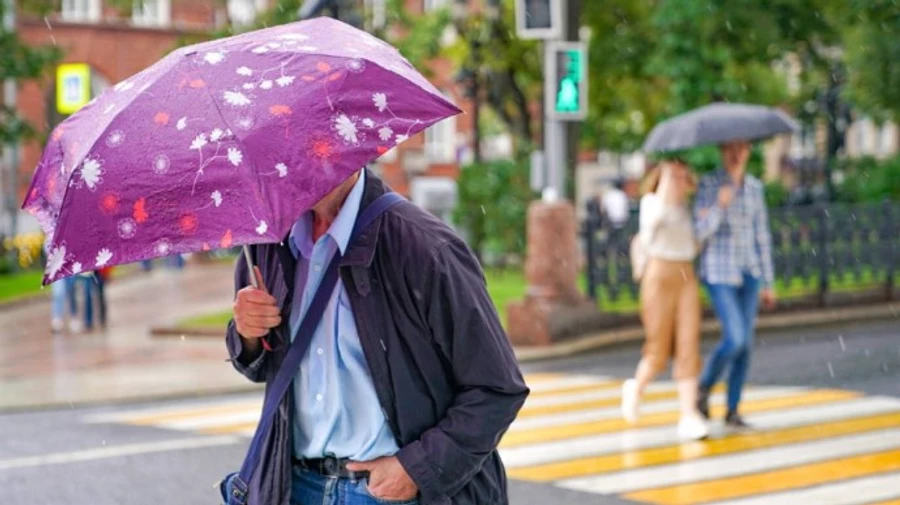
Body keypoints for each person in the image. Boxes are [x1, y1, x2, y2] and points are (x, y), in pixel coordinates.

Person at [224, 168, 529, 505]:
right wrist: (247, 333)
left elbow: (497, 387)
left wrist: (417, 469)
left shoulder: (425, 246)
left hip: (388, 491)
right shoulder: (269, 246)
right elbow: (260, 366)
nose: (292, 168)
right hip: (293, 486)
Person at [621, 161, 708, 441]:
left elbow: (695, 244)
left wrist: (705, 219)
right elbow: (649, 230)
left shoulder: (687, 209)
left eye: (684, 177)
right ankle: (636, 388)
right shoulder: (651, 203)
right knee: (657, 348)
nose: (681, 182)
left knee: (688, 343)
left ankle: (688, 414)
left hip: (686, 275)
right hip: (659, 275)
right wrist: (665, 192)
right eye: (675, 177)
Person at [694, 140, 776, 428]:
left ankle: (733, 409)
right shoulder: (709, 185)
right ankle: (703, 386)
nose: (736, 154)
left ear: (748, 152)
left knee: (746, 345)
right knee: (735, 338)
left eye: (742, 149)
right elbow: (700, 233)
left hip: (749, 272)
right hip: (719, 272)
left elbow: (761, 235)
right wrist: (719, 205)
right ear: (722, 151)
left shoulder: (754, 187)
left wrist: (768, 281)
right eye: (730, 148)